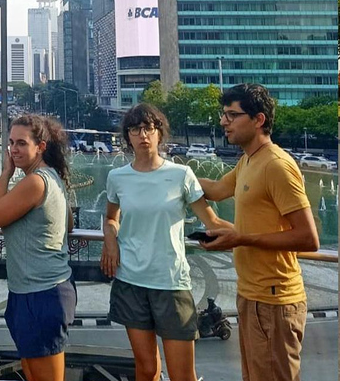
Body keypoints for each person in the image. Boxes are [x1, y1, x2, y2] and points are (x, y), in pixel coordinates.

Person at [100, 103, 234, 381]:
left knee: (182, 374)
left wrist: (258, 237)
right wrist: (110, 238)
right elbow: (111, 217)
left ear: (159, 134)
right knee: (146, 369)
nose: (143, 135)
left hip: (171, 283)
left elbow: (212, 222)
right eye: (135, 129)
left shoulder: (181, 175)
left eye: (149, 128)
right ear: (128, 137)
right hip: (131, 282)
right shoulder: (117, 177)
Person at [197, 84, 319, 381]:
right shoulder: (248, 161)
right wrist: (171, 174)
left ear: (258, 120)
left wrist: (241, 238)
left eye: (232, 115)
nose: (223, 121)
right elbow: (213, 190)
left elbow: (308, 238)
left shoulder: (276, 165)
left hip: (275, 301)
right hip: (251, 295)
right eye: (223, 114)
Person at [0, 114, 75, 381]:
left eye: (22, 143)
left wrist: (5, 174)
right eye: (11, 143)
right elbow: (68, 224)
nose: (14, 149)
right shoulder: (52, 177)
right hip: (33, 291)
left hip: (42, 293)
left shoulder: (35, 182)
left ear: (41, 146)